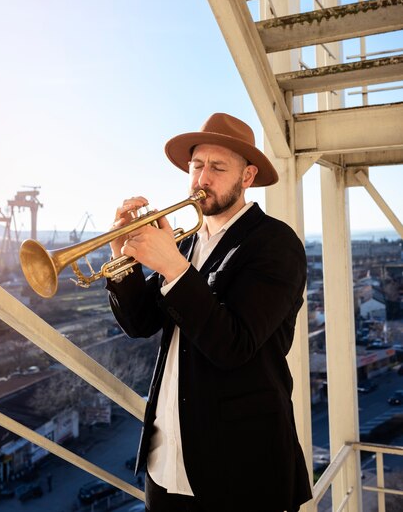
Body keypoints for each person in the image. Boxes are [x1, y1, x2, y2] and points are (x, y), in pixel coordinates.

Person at [106, 113, 312, 512]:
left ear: (247, 176)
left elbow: (234, 345)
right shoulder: (186, 244)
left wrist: (174, 269)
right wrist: (121, 260)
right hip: (164, 466)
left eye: (218, 168)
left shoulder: (275, 244)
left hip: (239, 472)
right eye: (197, 166)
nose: (202, 179)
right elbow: (139, 323)